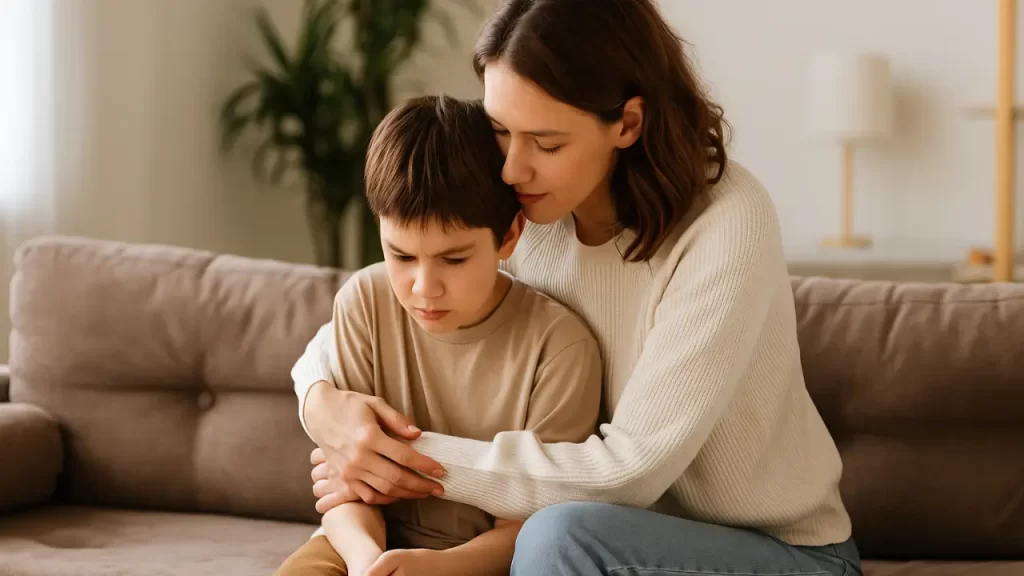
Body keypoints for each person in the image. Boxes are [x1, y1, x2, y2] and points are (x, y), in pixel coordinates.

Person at [295, 1, 863, 575]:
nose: (513, 170)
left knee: (555, 538)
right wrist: (324, 403)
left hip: (784, 554)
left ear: (628, 123)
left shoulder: (726, 221)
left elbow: (631, 473)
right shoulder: (529, 212)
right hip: (611, 539)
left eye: (546, 143)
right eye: (500, 130)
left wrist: (395, 457)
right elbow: (368, 314)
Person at [277, 95, 602, 576]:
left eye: (454, 259)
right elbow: (345, 486)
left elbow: (533, 528)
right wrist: (371, 563)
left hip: (482, 563)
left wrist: (436, 568)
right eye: (401, 256)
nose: (423, 288)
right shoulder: (364, 302)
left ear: (509, 236)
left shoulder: (559, 348)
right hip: (357, 546)